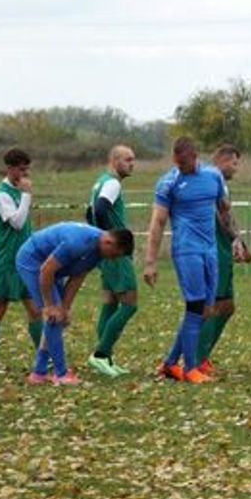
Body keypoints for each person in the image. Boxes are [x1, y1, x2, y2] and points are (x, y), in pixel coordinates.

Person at [143, 137, 231, 384]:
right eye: (177, 163)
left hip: (210, 250)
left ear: (195, 156)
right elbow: (158, 221)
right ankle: (190, 367)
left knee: (206, 310)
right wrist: (150, 261)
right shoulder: (168, 183)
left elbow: (223, 207)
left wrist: (235, 238)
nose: (180, 167)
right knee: (195, 306)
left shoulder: (213, 176)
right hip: (186, 250)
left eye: (184, 163)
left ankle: (170, 364)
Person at [17, 223, 135, 385]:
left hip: (52, 269)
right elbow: (46, 270)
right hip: (33, 261)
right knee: (53, 317)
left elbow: (78, 276)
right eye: (114, 255)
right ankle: (61, 374)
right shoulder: (77, 242)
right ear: (109, 243)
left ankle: (39, 373)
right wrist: (49, 305)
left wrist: (65, 308)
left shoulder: (99, 251)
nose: (112, 259)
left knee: (58, 316)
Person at [0, 148, 40, 373]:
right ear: (10, 168)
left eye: (27, 169)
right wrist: (26, 196)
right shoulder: (2, 194)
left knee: (34, 307)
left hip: (26, 258)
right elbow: (16, 222)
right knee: (0, 306)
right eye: (21, 170)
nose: (25, 174)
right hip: (7, 258)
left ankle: (44, 357)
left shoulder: (18, 191)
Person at [197, 145, 251, 377]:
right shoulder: (211, 182)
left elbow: (227, 214)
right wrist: (234, 238)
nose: (236, 169)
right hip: (214, 251)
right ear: (222, 160)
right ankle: (196, 359)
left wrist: (237, 241)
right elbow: (222, 216)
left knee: (227, 306)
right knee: (212, 306)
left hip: (223, 250)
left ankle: (203, 355)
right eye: (234, 163)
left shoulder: (220, 183)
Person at [87, 145, 138, 377]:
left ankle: (106, 359)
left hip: (104, 253)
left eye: (133, 159)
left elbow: (89, 212)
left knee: (109, 304)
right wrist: (113, 239)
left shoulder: (100, 182)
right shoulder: (113, 183)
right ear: (114, 160)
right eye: (127, 159)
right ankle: (100, 354)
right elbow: (100, 208)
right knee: (129, 304)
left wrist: (100, 239)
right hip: (116, 253)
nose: (132, 164)